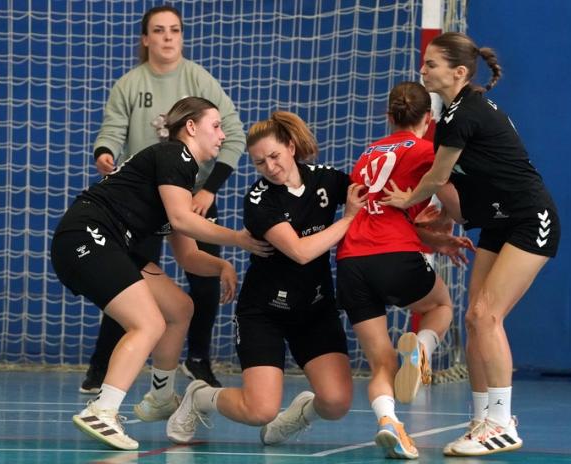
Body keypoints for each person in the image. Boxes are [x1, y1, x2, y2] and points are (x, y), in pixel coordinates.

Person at [51, 97, 272, 450]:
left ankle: (160, 397)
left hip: (113, 243)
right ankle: (101, 411)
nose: (222, 135)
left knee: (179, 308)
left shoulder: (180, 180)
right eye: (216, 126)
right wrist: (238, 239)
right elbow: (183, 220)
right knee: (148, 323)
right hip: (87, 235)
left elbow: (188, 255)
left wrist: (221, 265)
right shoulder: (174, 155)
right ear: (190, 127)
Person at [381, 32, 560, 456]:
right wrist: (444, 216)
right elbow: (463, 197)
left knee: (486, 315)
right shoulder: (451, 117)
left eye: (431, 64)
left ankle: (502, 423)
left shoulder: (465, 114)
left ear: (459, 72)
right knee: (472, 319)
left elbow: (438, 177)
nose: (423, 69)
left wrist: (408, 200)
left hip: (530, 219)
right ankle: (481, 420)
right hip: (498, 222)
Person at [165, 111, 366, 446]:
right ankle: (200, 396)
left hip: (315, 308)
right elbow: (300, 252)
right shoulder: (259, 200)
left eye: (274, 156)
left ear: (291, 147)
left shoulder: (327, 179)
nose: (270, 167)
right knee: (260, 410)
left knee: (336, 403)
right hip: (265, 312)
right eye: (260, 163)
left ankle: (298, 414)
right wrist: (347, 220)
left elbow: (372, 201)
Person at [80, 4, 245, 394]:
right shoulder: (129, 84)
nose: (168, 37)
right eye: (159, 30)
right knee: (128, 280)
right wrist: (105, 152)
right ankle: (101, 367)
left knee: (203, 281)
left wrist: (208, 190)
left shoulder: (199, 79)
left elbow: (234, 135)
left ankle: (198, 360)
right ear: (145, 38)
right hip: (143, 204)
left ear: (182, 36)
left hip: (194, 196)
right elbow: (112, 129)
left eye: (175, 29)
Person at [335, 81, 474, 460]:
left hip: (350, 261)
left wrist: (434, 240)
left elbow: (376, 215)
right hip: (395, 256)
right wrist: (448, 222)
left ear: (389, 116)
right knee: (441, 305)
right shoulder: (428, 151)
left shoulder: (367, 154)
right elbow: (455, 203)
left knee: (381, 362)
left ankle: (388, 422)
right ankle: (422, 351)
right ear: (428, 118)